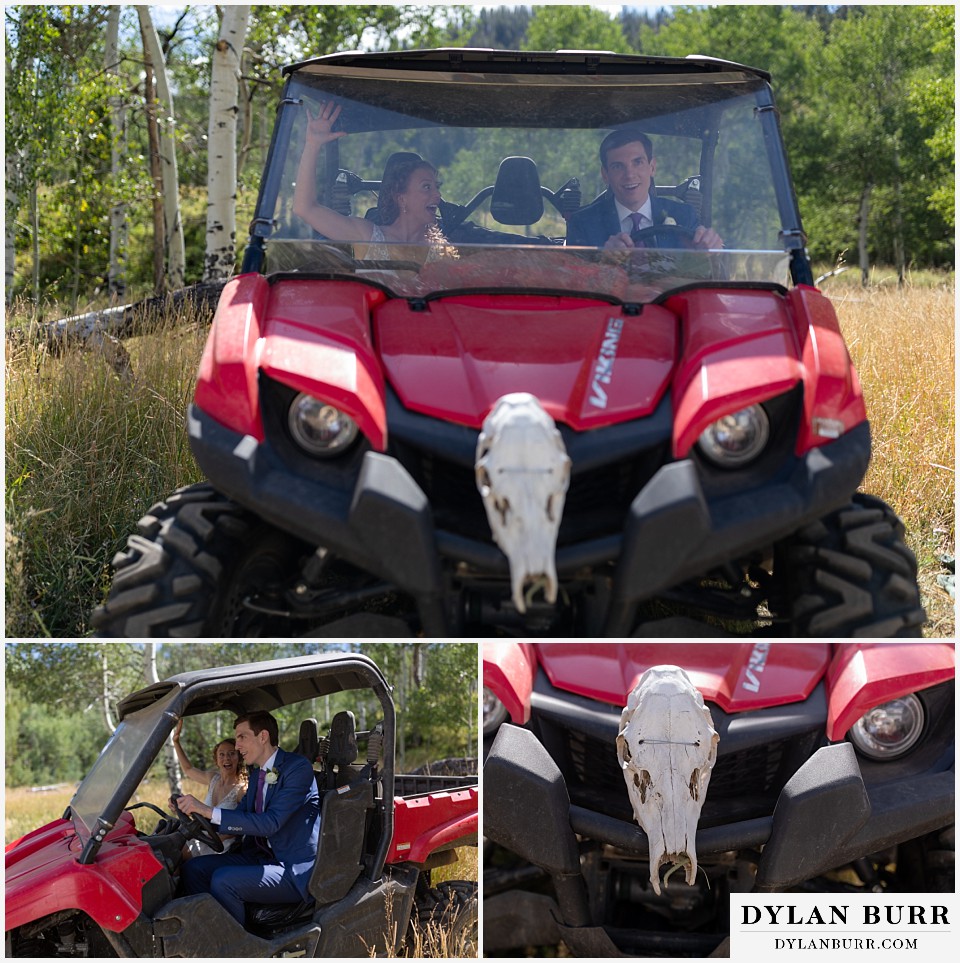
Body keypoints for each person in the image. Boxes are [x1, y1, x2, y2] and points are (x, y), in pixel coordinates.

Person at [177, 711, 321, 926]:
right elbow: (240, 816)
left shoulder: (297, 768)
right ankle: (209, 928)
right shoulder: (257, 775)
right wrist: (193, 816)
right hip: (260, 856)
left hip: (291, 868)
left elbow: (270, 823)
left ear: (263, 736)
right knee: (193, 869)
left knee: (223, 880)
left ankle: (237, 947)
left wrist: (207, 811)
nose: (236, 746)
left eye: (242, 737)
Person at [293, 100, 454, 260]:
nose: (438, 196)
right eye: (427, 187)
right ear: (401, 198)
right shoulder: (367, 236)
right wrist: (313, 145)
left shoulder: (441, 253)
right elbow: (305, 208)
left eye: (436, 187)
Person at [565, 128, 723, 251]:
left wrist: (710, 248)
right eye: (618, 166)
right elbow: (573, 280)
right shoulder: (582, 223)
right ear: (605, 175)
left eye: (637, 162)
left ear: (652, 167)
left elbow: (701, 270)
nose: (629, 175)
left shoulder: (683, 215)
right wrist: (603, 260)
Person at [172, 720, 247, 857]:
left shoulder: (241, 790)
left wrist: (211, 838)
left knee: (175, 853)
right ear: (216, 760)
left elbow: (241, 826)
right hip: (202, 836)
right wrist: (176, 742)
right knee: (166, 840)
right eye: (222, 755)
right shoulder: (213, 779)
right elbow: (188, 769)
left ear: (239, 758)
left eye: (231, 753)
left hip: (221, 845)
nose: (227, 759)